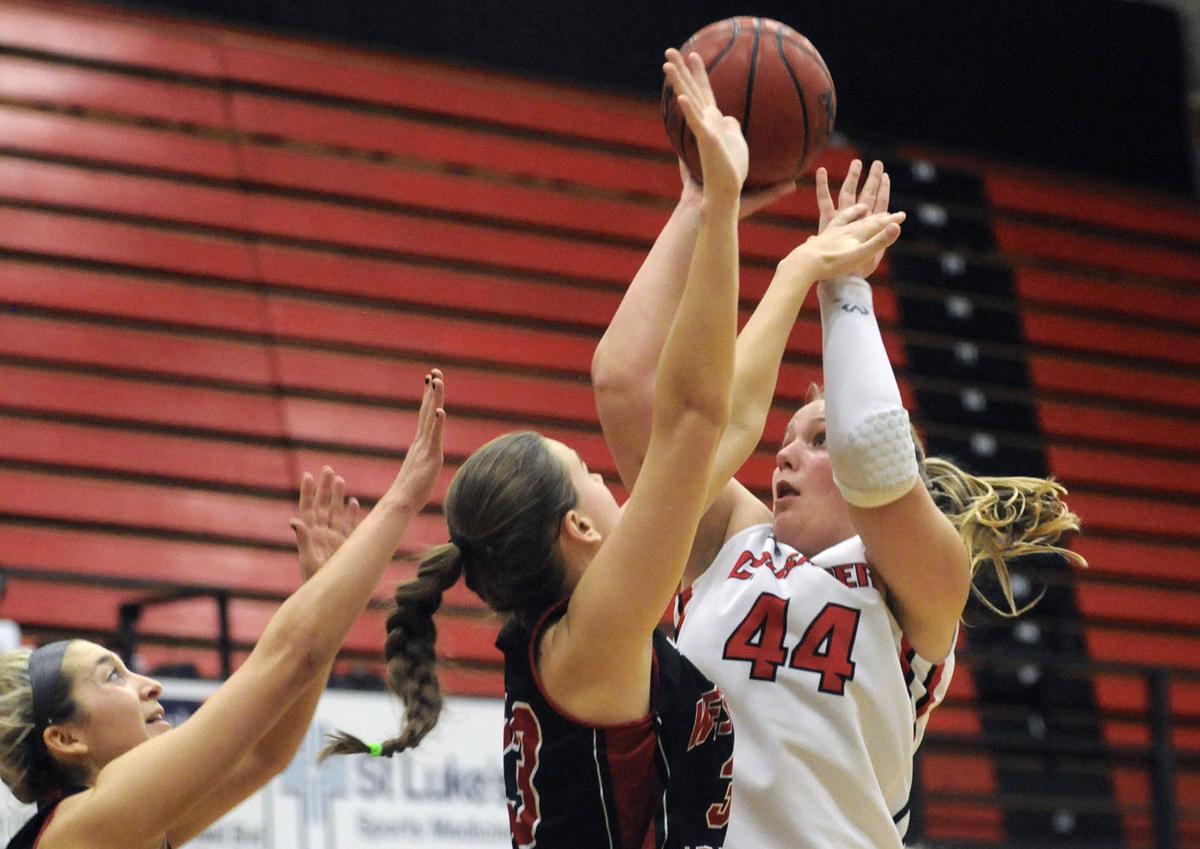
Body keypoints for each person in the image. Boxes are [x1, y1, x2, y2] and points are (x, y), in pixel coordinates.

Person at [322, 51, 903, 849]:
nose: (608, 474)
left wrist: (699, 203)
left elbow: (687, 414)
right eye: (588, 474)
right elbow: (697, 421)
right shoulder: (595, 629)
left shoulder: (575, 634)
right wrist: (774, 246)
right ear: (580, 529)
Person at [591, 152, 1084, 849]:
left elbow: (872, 459)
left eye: (813, 439)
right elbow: (624, 387)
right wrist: (700, 207)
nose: (785, 453)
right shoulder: (733, 538)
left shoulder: (925, 578)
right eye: (786, 439)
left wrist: (841, 283)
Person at [0, 371, 445, 849]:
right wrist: (403, 497)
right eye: (113, 677)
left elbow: (263, 755)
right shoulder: (80, 831)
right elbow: (295, 654)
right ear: (65, 740)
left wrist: (326, 593)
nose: (150, 684)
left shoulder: (129, 827)